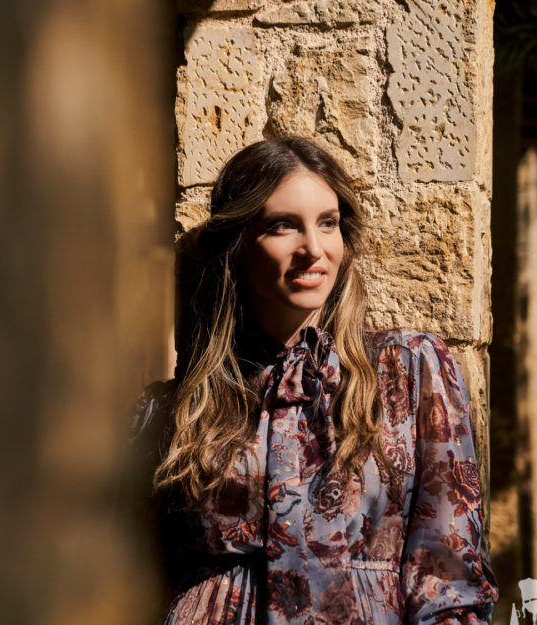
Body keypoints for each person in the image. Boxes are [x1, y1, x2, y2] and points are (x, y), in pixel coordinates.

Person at [128, 136, 499, 625]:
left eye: (327, 223)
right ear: (237, 246)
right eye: (283, 226)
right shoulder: (178, 409)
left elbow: (450, 582)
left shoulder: (408, 371)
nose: (313, 249)